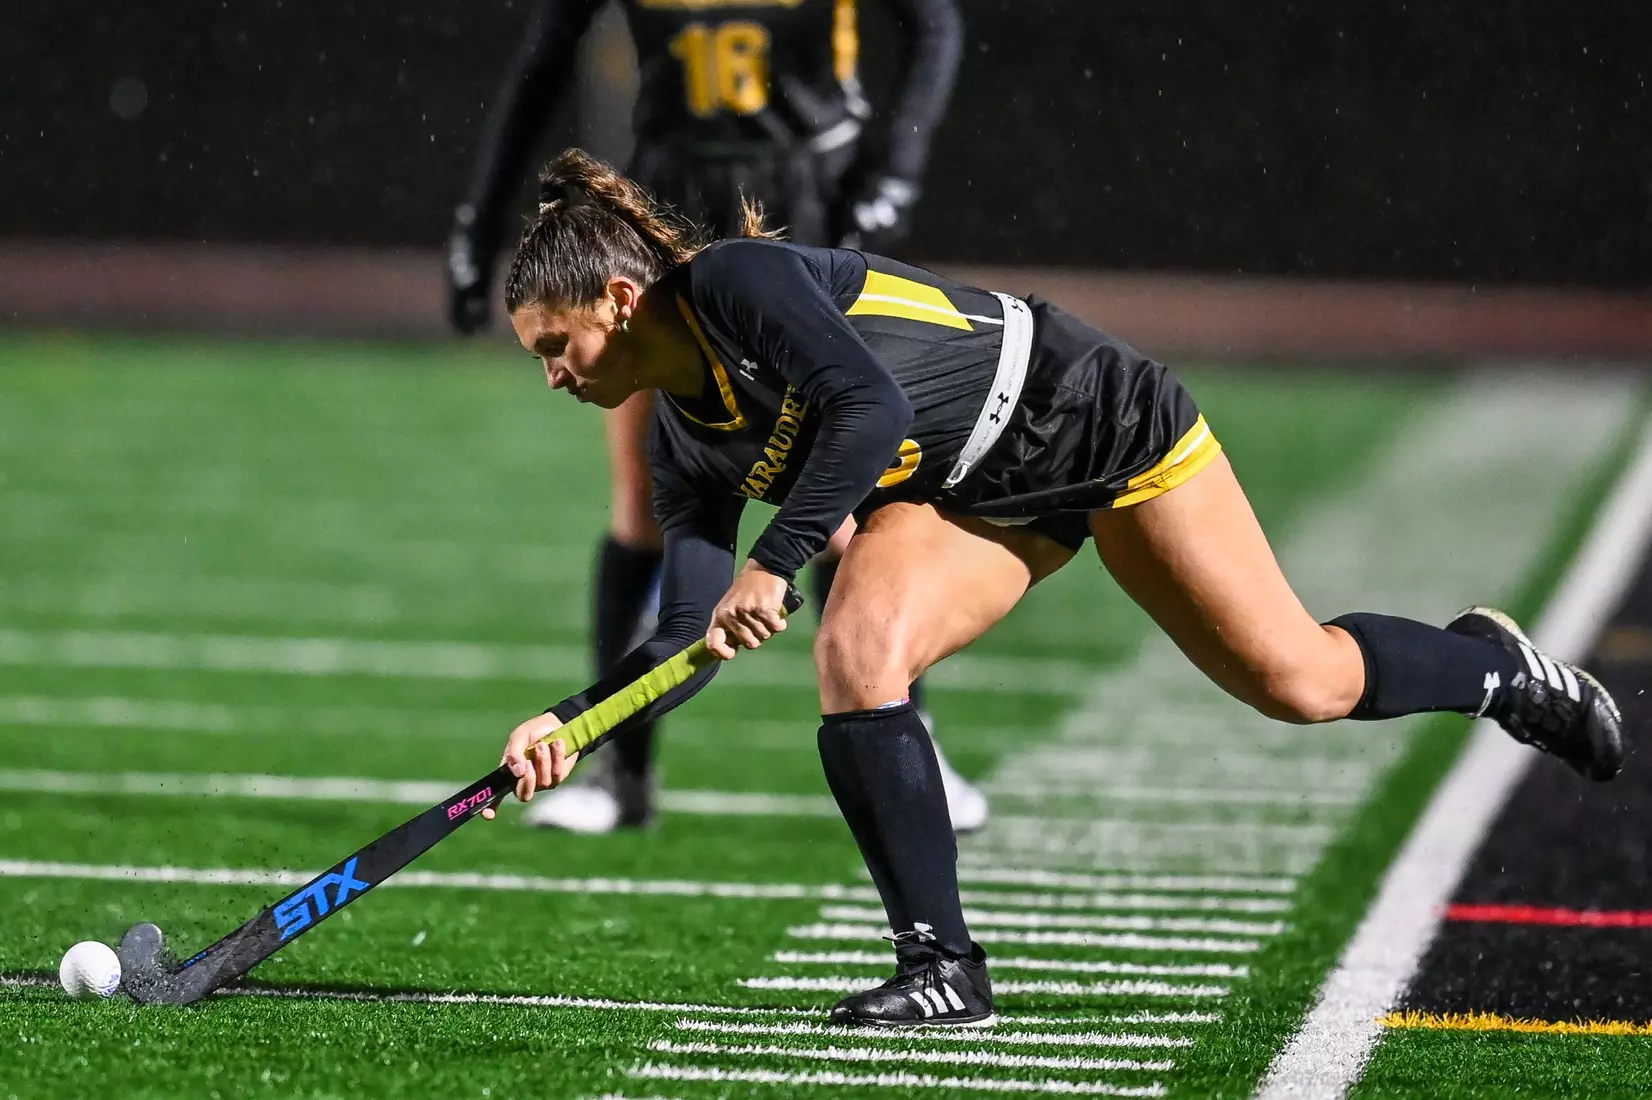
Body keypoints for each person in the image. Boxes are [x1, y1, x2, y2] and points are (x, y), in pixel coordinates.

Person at [481, 148, 1625, 1028]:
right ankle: (941, 967)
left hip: (1087, 414)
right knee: (858, 651)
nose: (550, 374)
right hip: (975, 495)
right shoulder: (681, 442)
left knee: (1297, 678)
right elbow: (686, 631)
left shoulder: (733, 283)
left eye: (557, 342)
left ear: (622, 301)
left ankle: (1491, 666)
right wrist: (580, 724)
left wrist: (775, 558)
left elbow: (867, 405)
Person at [447, 0, 975, 835]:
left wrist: (899, 164)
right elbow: (546, 55)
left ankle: (916, 739)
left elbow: (935, 21)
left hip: (809, 182)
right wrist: (480, 217)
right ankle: (621, 771)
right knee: (644, 496)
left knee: (850, 492)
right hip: (668, 191)